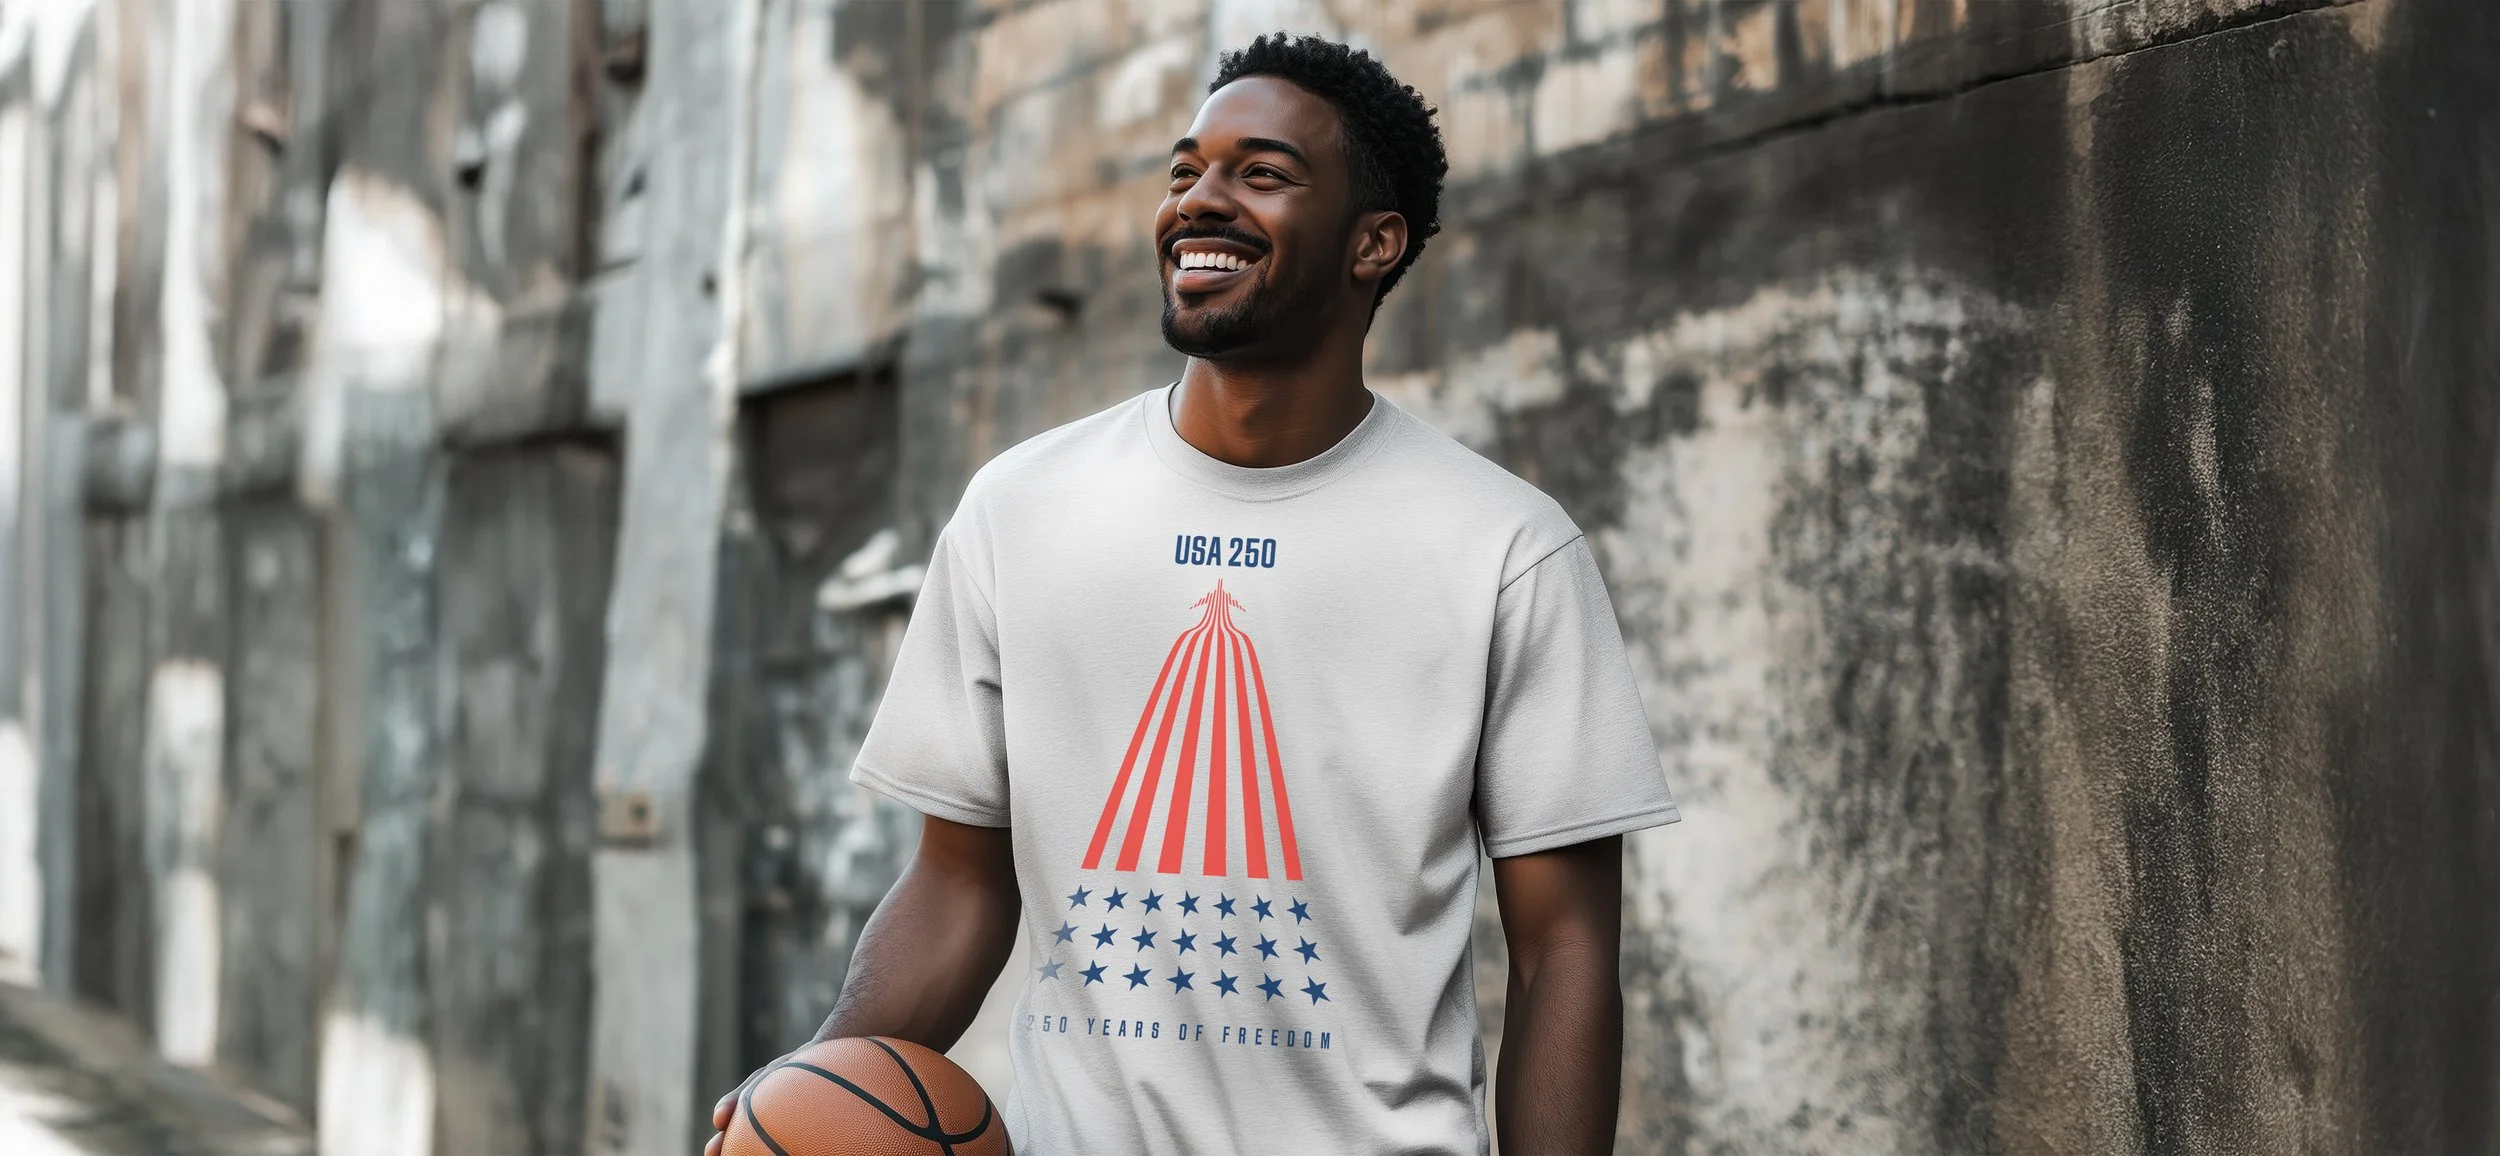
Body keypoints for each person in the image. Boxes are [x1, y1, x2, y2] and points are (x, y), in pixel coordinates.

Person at [707, 33, 1678, 1156]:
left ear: (1375, 243)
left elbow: (1564, 950)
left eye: (1260, 173)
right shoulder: (1020, 508)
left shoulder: (1503, 547)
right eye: (1184, 171)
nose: (1199, 201)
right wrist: (817, 1092)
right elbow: (958, 881)